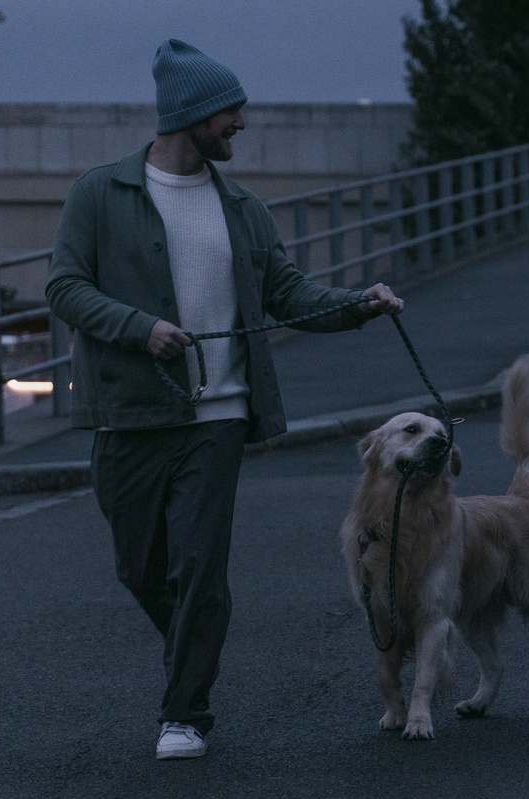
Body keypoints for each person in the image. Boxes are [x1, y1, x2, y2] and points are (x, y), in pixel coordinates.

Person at [48, 39, 403, 760]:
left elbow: (290, 294)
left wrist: (358, 303)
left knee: (199, 566)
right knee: (139, 569)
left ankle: (186, 710)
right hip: (131, 413)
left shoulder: (242, 208)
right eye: (230, 111)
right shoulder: (100, 193)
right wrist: (139, 328)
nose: (241, 122)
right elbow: (64, 286)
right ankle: (192, 648)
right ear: (193, 115)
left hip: (217, 415)